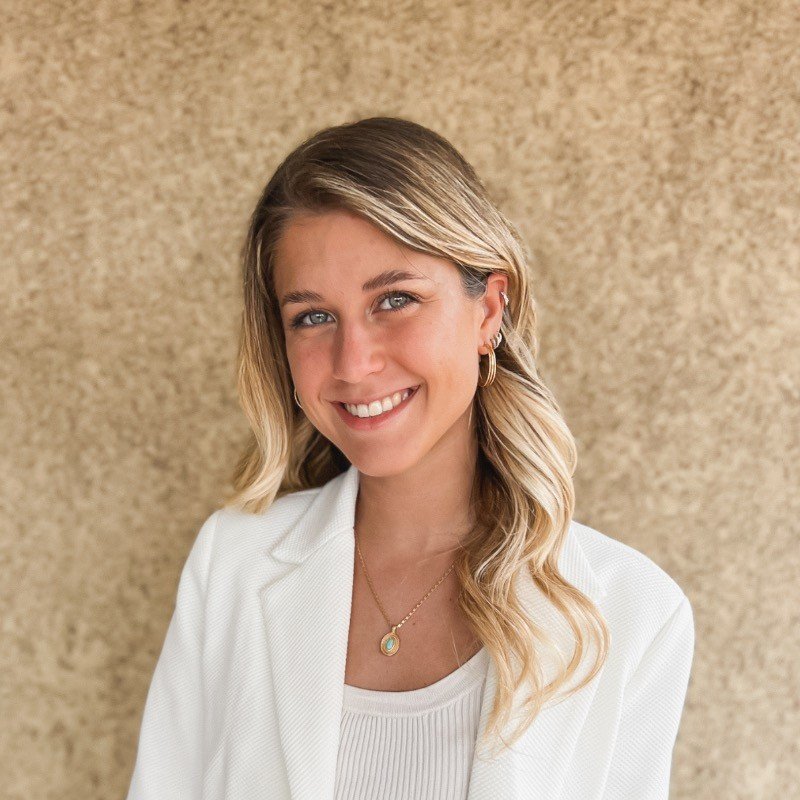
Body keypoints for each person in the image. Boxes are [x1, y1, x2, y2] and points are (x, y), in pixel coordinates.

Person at [125, 117, 695, 800]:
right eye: (313, 316)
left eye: (394, 300)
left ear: (488, 310)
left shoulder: (631, 613)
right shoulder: (232, 565)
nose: (354, 363)